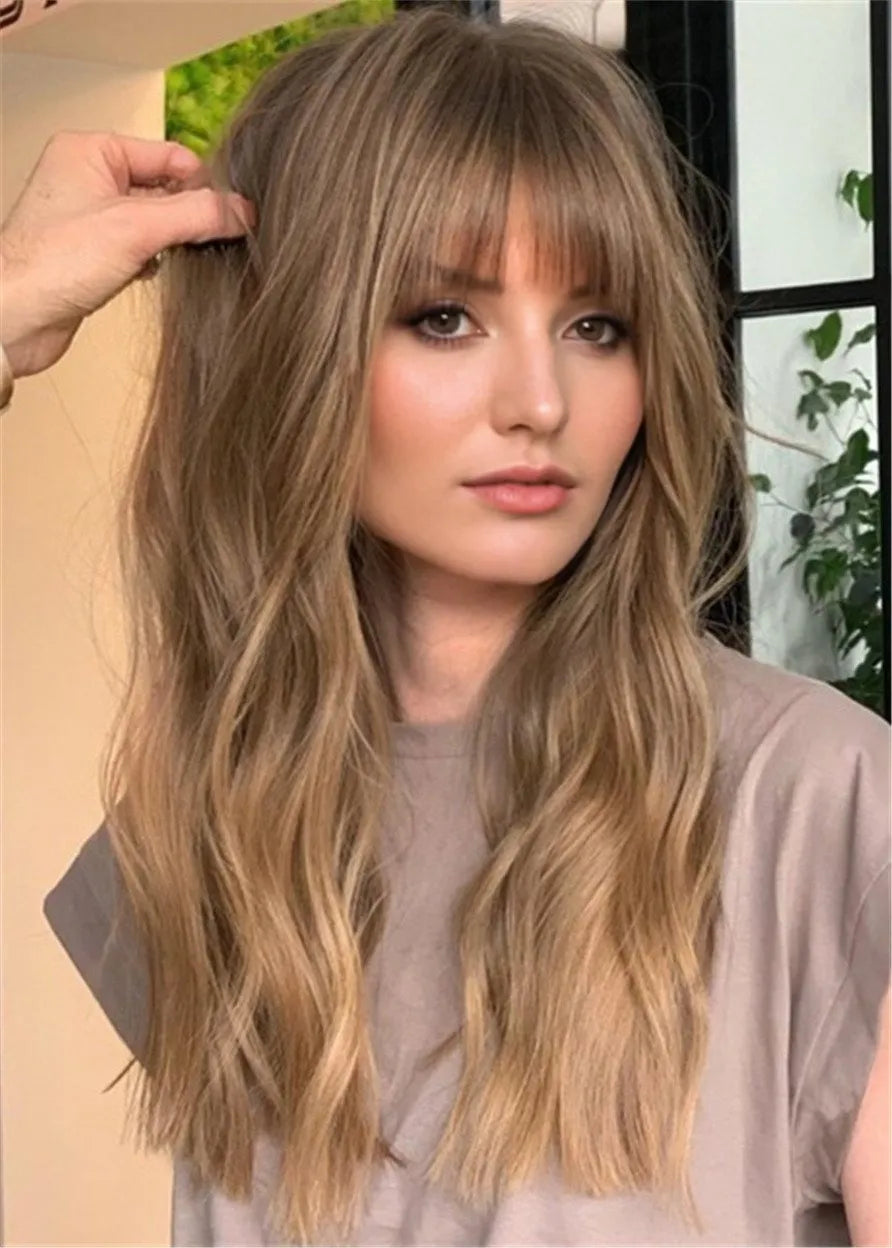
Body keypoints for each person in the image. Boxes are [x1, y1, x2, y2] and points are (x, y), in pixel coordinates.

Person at [4, 8, 889, 1248]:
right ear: (286, 341)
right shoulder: (216, 811)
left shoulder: (818, 800)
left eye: (597, 326)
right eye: (443, 317)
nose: (540, 402)